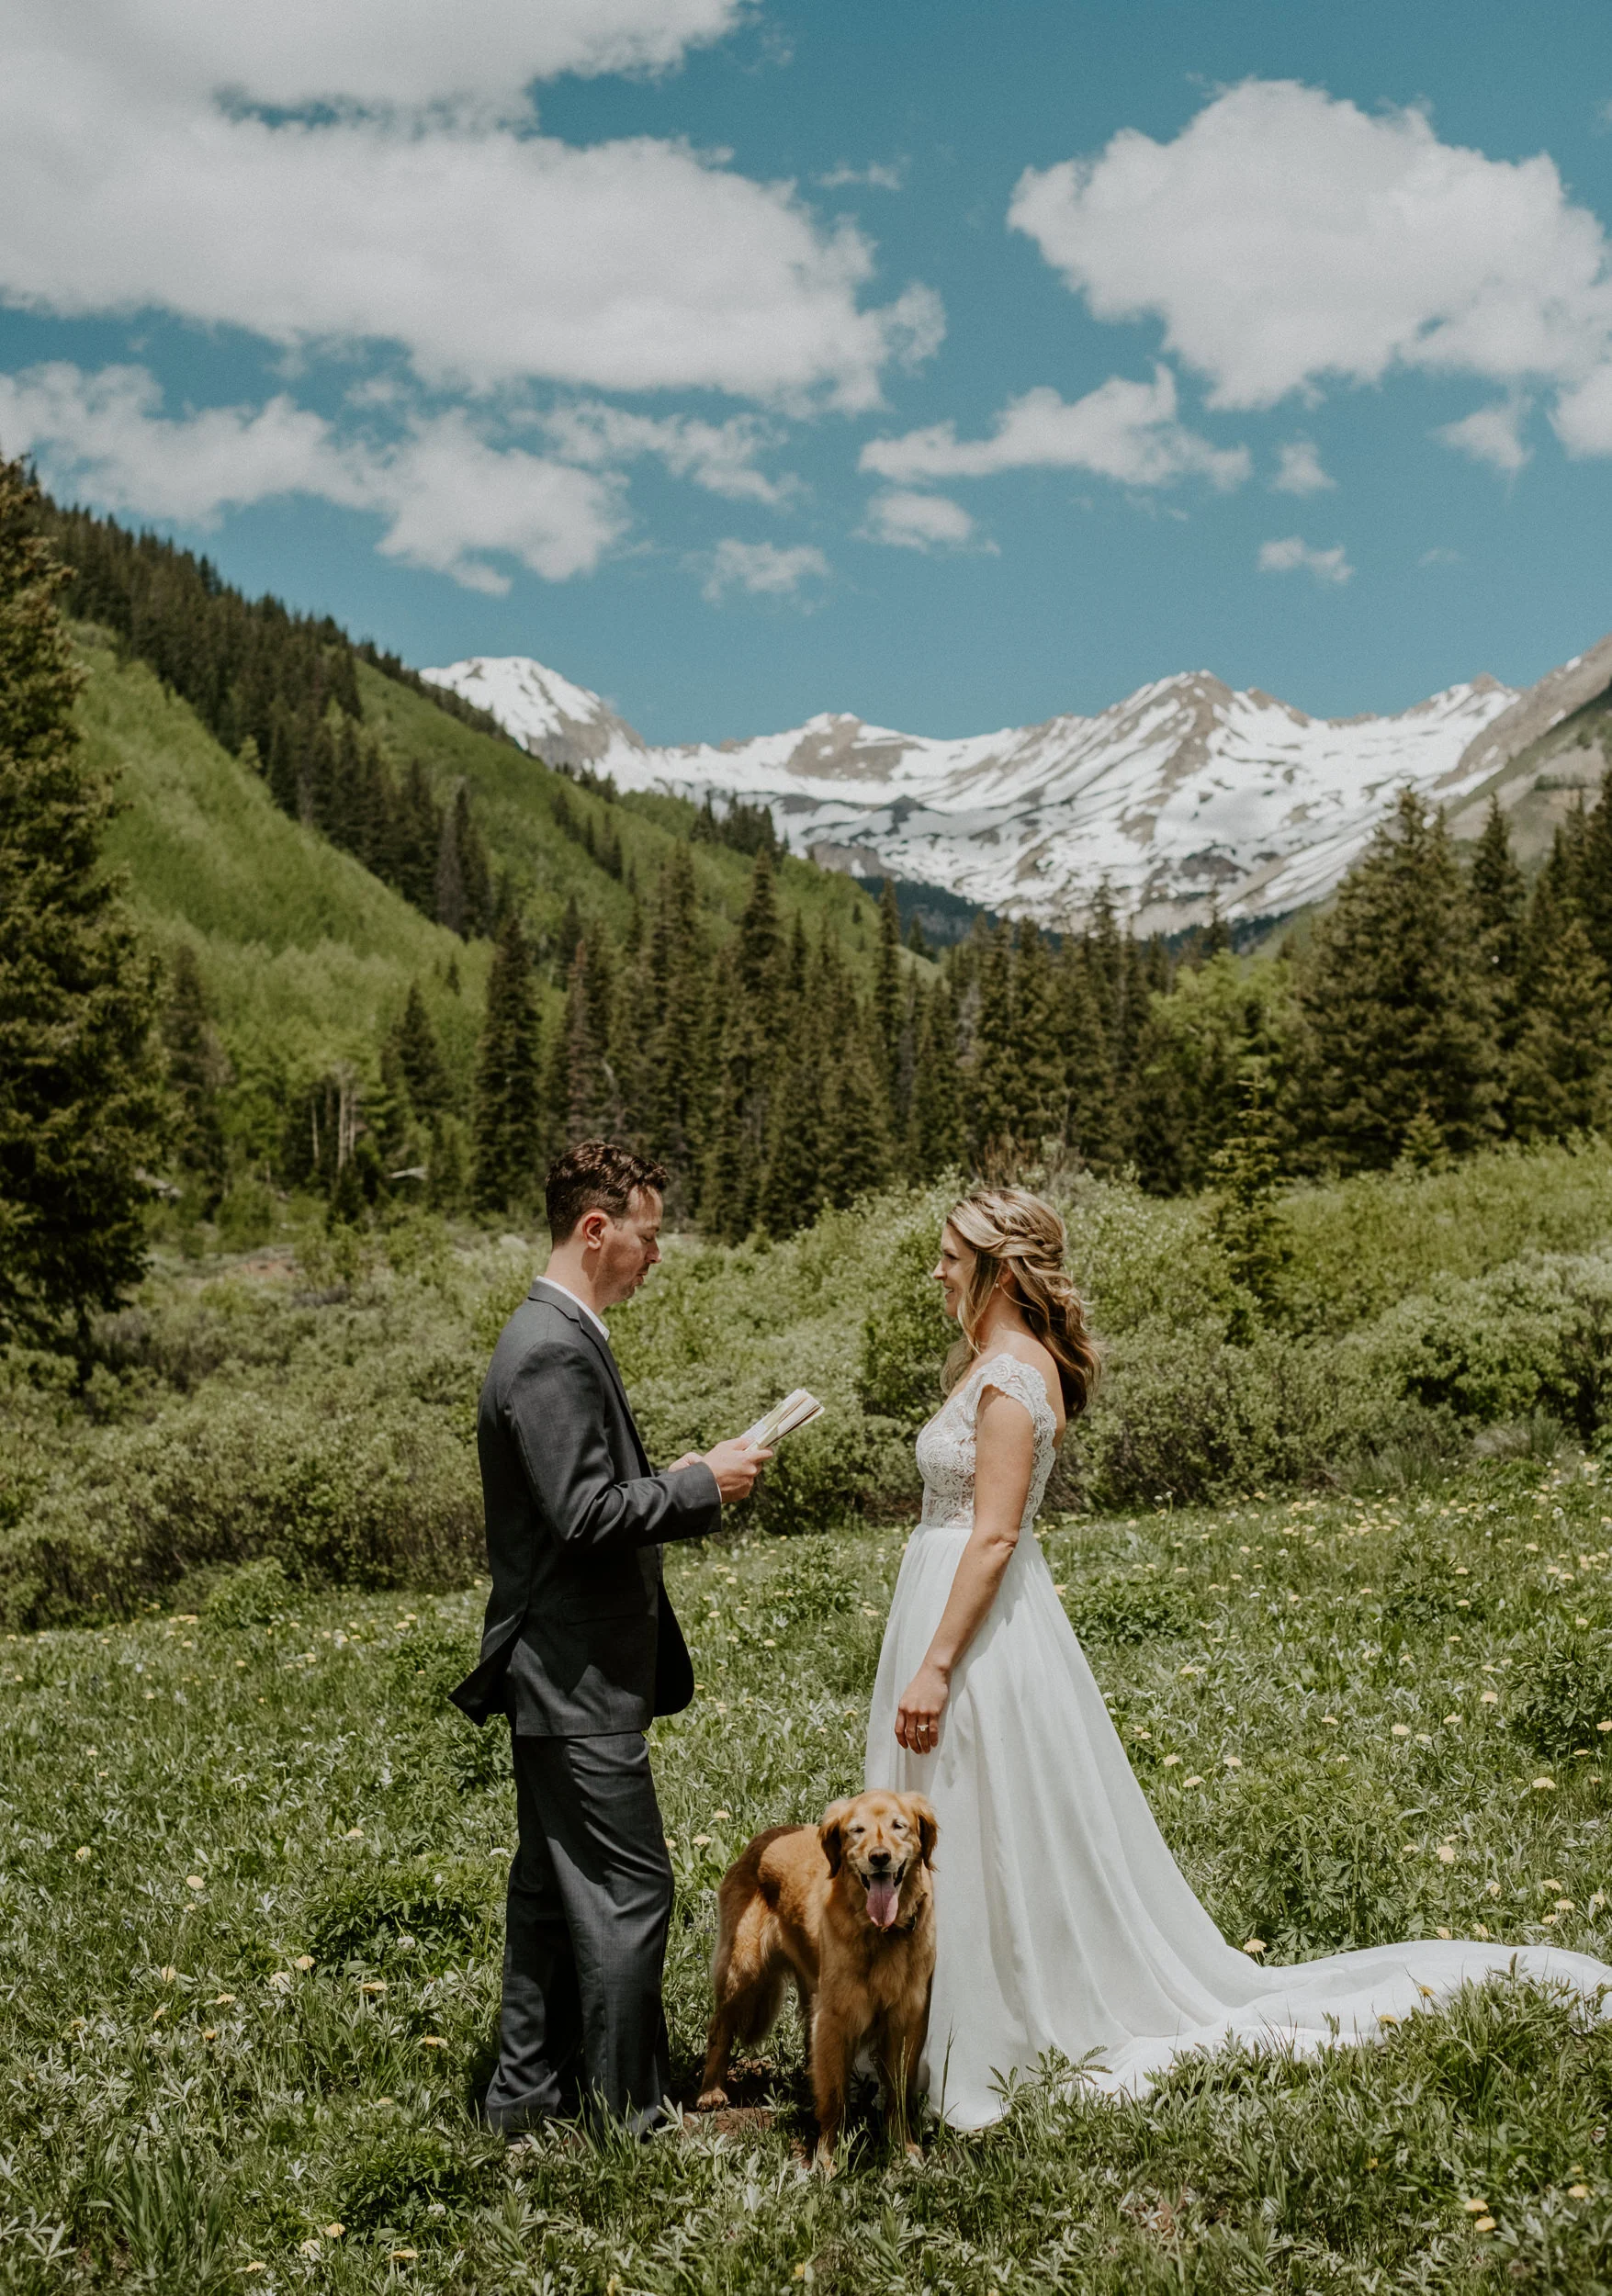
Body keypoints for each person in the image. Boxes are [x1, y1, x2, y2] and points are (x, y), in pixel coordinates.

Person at [864, 1186, 1612, 2128]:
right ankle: (926, 2023)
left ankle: (989, 2033)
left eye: (948, 1255)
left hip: (971, 1631)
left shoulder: (1012, 1378)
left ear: (999, 1270)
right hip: (952, 1613)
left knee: (979, 1817)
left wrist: (935, 1665)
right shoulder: (993, 1363)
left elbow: (996, 1537)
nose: (935, 1270)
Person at [452, 1139, 770, 2135]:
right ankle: (631, 2118)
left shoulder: (551, 1331)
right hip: (575, 1672)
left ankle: (523, 2100)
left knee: (551, 1892)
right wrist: (697, 1485)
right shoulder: (549, 1345)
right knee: (633, 1889)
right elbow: (582, 1515)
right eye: (649, 1234)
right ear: (597, 1230)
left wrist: (669, 1477)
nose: (656, 1253)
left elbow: (576, 1496)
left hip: (558, 1670)